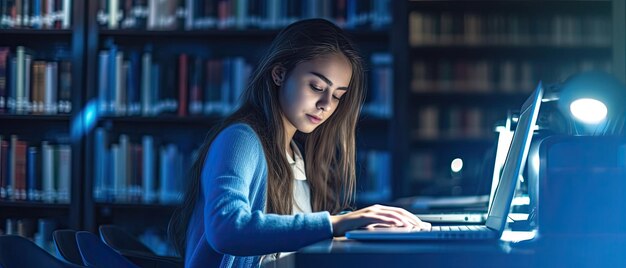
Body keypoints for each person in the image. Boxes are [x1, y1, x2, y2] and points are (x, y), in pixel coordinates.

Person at [168, 18, 430, 268]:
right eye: (316, 87)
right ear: (280, 74)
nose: (326, 105)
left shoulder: (294, 153)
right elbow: (226, 230)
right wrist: (336, 224)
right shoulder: (241, 139)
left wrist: (361, 229)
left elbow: (288, 245)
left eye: (338, 96)